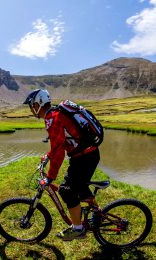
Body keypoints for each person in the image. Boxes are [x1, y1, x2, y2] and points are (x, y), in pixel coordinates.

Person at [23, 89, 100, 241]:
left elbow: (59, 151)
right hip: (88, 155)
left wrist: (50, 177)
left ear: (38, 104)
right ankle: (97, 215)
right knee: (80, 186)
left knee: (66, 190)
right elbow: (60, 144)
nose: (31, 109)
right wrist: (48, 156)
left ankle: (78, 229)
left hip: (84, 158)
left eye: (32, 105)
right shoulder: (56, 114)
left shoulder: (52, 118)